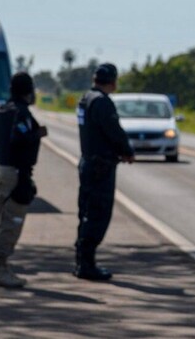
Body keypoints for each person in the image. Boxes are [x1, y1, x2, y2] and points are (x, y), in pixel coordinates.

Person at [0, 72, 47, 288]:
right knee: (12, 220)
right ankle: (0, 269)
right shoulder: (21, 112)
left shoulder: (1, 110)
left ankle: (1, 267)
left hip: (3, 169)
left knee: (1, 219)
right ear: (28, 91)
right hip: (17, 172)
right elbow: (19, 138)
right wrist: (37, 134)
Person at [74, 63, 134, 281]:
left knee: (86, 213)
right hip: (101, 166)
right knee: (98, 215)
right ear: (113, 81)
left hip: (88, 163)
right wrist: (127, 151)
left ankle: (82, 260)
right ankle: (86, 265)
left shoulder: (85, 98)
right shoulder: (102, 102)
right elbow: (114, 131)